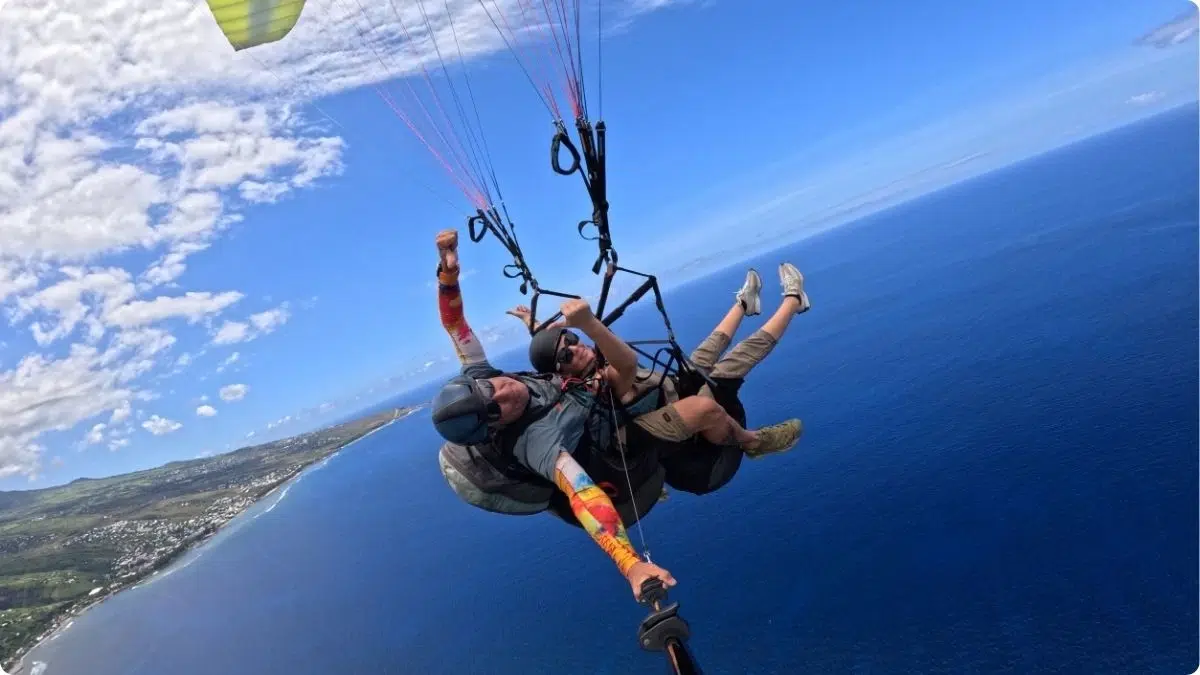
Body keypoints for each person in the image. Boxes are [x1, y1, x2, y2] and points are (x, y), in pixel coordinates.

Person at [429, 229, 798, 598]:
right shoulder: (535, 441)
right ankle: (752, 442)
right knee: (710, 393)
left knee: (703, 360)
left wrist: (449, 273)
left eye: (491, 388)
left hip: (628, 405)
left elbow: (456, 326)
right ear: (494, 428)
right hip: (621, 436)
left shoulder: (487, 376)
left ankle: (747, 305)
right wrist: (631, 564)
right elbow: (584, 497)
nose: (504, 392)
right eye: (496, 410)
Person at [512, 263, 808, 498]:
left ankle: (745, 304)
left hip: (675, 408)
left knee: (703, 354)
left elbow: (556, 352)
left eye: (574, 340)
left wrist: (533, 325)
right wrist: (589, 324)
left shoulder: (584, 368)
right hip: (706, 458)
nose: (576, 350)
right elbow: (625, 365)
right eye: (566, 356)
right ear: (562, 375)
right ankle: (755, 441)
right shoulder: (599, 388)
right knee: (731, 364)